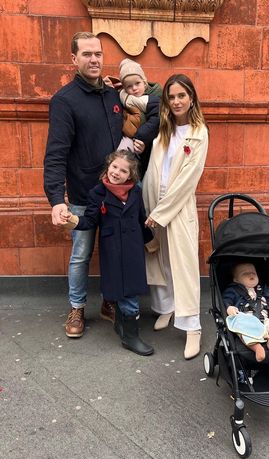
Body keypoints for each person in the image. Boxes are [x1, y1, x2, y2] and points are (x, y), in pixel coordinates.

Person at [44, 32, 124, 338]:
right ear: (74, 59)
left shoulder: (113, 95)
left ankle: (109, 302)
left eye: (98, 54)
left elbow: (149, 96)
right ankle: (77, 307)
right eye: (87, 54)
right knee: (81, 253)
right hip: (82, 196)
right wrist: (56, 198)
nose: (94, 59)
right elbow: (55, 155)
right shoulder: (64, 101)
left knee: (113, 250)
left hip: (117, 193)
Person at [60, 150, 154, 356]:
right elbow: (91, 220)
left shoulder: (136, 191)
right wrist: (73, 220)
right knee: (121, 288)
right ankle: (131, 336)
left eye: (123, 170)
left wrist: (150, 240)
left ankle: (125, 329)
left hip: (133, 248)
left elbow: (141, 217)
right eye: (114, 167)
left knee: (131, 288)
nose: (116, 172)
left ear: (130, 175)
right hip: (112, 249)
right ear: (108, 166)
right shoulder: (97, 193)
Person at [142, 74, 209, 360]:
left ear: (191, 97)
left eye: (182, 95)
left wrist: (162, 213)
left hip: (177, 207)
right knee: (158, 258)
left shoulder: (199, 132)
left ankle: (192, 327)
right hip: (154, 203)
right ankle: (165, 307)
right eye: (172, 96)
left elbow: (187, 180)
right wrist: (149, 208)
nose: (177, 101)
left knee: (183, 264)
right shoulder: (164, 131)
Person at [106, 58, 161, 178]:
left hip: (149, 145)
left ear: (144, 82)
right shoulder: (121, 98)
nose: (134, 88)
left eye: (137, 83)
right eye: (129, 86)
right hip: (130, 142)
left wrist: (139, 136)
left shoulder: (155, 98)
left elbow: (156, 121)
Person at [222, 262, 269, 362]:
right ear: (236, 280)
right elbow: (226, 300)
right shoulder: (233, 291)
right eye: (245, 273)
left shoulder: (268, 290)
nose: (251, 275)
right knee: (241, 330)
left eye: (253, 273)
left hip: (264, 321)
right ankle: (257, 348)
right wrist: (229, 307)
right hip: (247, 323)